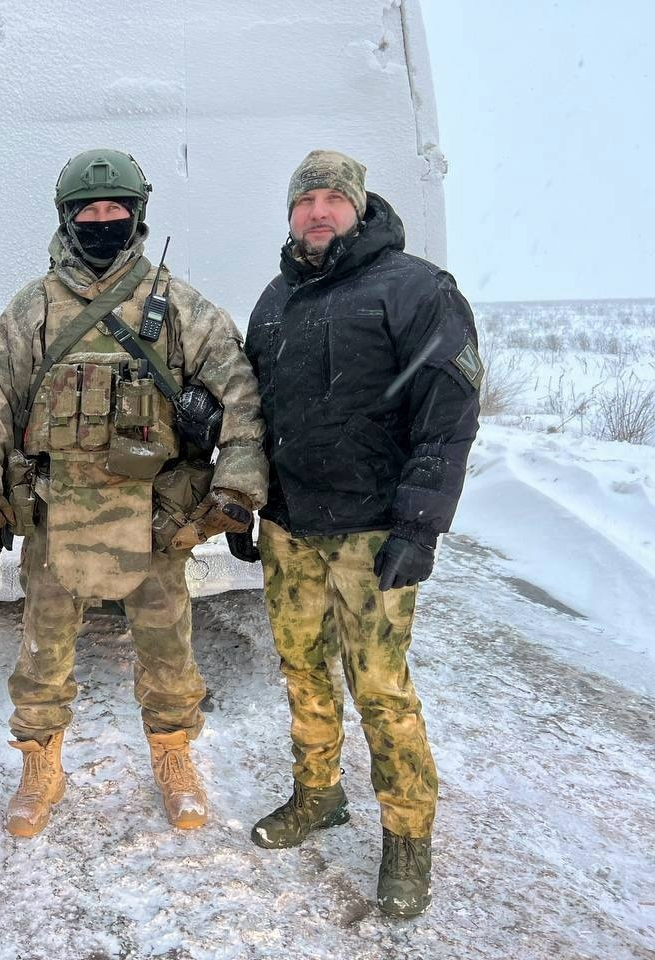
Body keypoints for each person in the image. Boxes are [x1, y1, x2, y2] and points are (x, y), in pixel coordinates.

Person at [0, 148, 267, 837]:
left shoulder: (178, 306)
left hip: (155, 516)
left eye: (114, 209)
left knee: (168, 649)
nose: (102, 221)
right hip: (58, 514)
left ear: (137, 215)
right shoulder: (34, 308)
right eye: (88, 211)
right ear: (67, 219)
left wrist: (237, 487)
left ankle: (173, 754)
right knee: (41, 652)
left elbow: (240, 392)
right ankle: (40, 763)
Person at [234, 149, 481, 918]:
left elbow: (448, 418)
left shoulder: (416, 289)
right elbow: (254, 414)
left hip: (370, 538)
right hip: (290, 531)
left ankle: (408, 837)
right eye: (304, 201)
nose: (318, 212)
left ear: (359, 206)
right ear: (290, 214)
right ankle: (319, 794)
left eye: (332, 200)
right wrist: (245, 502)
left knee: (380, 689)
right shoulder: (275, 300)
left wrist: (419, 525)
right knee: (302, 671)